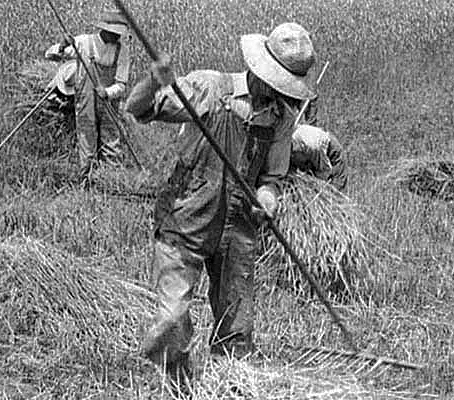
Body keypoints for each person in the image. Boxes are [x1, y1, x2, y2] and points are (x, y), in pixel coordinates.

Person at [125, 22, 317, 388]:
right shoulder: (212, 89)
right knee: (170, 324)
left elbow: (272, 177)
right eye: (277, 83)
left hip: (238, 229)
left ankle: (229, 386)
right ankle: (179, 387)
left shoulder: (281, 119)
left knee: (237, 330)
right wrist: (154, 81)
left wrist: (267, 198)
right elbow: (138, 108)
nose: (279, 94)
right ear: (260, 69)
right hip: (186, 220)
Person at [44, 10, 131, 184]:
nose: (116, 37)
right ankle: (87, 181)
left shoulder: (122, 51)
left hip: (109, 101)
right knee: (87, 137)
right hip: (86, 99)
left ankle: (111, 182)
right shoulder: (83, 42)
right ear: (104, 30)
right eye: (114, 33)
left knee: (111, 141)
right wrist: (62, 45)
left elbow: (122, 85)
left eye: (118, 34)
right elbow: (50, 55)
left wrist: (107, 92)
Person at [291, 123, 348, 192]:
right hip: (309, 156)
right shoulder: (287, 137)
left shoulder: (311, 145)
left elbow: (325, 171)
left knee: (336, 191)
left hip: (330, 153)